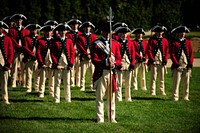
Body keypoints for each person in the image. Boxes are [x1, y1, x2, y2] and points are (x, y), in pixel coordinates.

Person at [91, 22, 121, 123]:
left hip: (112, 73)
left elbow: (119, 59)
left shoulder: (116, 43)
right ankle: (100, 118)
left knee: (111, 97)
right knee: (100, 97)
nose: (108, 34)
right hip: (101, 72)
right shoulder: (96, 44)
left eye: (109, 32)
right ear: (102, 32)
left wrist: (114, 63)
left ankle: (111, 117)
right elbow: (94, 59)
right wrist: (106, 61)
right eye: (106, 32)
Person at [51, 23, 75, 103]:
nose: (63, 32)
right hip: (58, 64)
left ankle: (68, 99)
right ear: (59, 32)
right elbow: (52, 54)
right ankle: (56, 99)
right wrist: (56, 64)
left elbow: (72, 53)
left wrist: (71, 64)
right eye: (61, 31)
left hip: (67, 64)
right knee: (57, 83)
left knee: (67, 83)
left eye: (64, 31)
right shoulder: (55, 41)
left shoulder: (69, 41)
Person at [170, 26, 194, 101]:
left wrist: (190, 64)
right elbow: (172, 54)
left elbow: (191, 54)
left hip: (186, 65)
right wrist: (176, 64)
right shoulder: (174, 43)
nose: (182, 34)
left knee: (186, 83)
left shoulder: (188, 42)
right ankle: (175, 97)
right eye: (181, 33)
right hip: (178, 65)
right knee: (176, 83)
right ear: (178, 34)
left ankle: (185, 96)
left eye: (183, 33)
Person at [115, 26, 135, 102]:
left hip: (128, 63)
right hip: (120, 64)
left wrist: (132, 64)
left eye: (125, 33)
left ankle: (128, 97)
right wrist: (118, 64)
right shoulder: (116, 43)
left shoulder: (130, 43)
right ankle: (118, 97)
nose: (124, 35)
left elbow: (132, 54)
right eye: (122, 33)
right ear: (119, 34)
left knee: (128, 83)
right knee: (119, 82)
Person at [9, 14, 29, 88]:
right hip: (15, 50)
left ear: (22, 21)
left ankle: (24, 83)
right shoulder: (11, 30)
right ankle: (13, 83)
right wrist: (18, 47)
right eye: (17, 20)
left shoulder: (26, 30)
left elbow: (27, 40)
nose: (19, 21)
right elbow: (12, 40)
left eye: (20, 20)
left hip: (23, 51)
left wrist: (24, 48)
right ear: (15, 21)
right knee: (14, 67)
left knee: (24, 67)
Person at [147, 25, 169, 96]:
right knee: (153, 78)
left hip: (161, 62)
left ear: (162, 32)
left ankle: (162, 91)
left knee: (161, 78)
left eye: (161, 32)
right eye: (158, 32)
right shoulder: (152, 40)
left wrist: (165, 60)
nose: (159, 33)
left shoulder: (165, 40)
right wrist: (152, 59)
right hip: (154, 61)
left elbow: (166, 51)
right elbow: (149, 50)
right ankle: (152, 91)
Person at [77, 21, 97, 91]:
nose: (87, 29)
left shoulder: (94, 36)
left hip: (92, 57)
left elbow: (95, 46)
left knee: (92, 72)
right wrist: (86, 54)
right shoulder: (80, 37)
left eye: (88, 27)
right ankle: (82, 86)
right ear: (83, 28)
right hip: (84, 57)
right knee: (83, 73)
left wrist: (91, 55)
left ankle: (92, 85)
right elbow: (80, 46)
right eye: (86, 28)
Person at [36, 25, 54, 98]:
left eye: (50, 31)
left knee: (52, 79)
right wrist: (41, 62)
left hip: (52, 62)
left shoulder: (54, 40)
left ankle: (51, 92)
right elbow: (38, 52)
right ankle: (41, 92)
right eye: (47, 32)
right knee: (42, 78)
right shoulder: (40, 41)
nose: (48, 33)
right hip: (44, 61)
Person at [22, 24, 41, 92]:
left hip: (37, 59)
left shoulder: (39, 38)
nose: (34, 31)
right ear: (30, 30)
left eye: (35, 30)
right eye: (33, 30)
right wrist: (31, 54)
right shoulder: (26, 38)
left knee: (37, 74)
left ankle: (36, 87)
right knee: (28, 74)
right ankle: (28, 88)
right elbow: (25, 47)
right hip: (29, 58)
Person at [0, 21, 14, 104]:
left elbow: (11, 52)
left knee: (4, 83)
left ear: (2, 29)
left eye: (1, 28)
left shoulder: (7, 39)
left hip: (4, 63)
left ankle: (5, 99)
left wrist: (8, 63)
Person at [67, 19, 82, 87]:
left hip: (79, 53)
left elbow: (82, 44)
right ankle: (72, 83)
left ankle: (78, 83)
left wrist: (79, 51)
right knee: (72, 68)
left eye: (76, 25)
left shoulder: (80, 34)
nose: (75, 26)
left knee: (78, 69)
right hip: (71, 53)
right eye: (73, 25)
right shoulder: (68, 34)